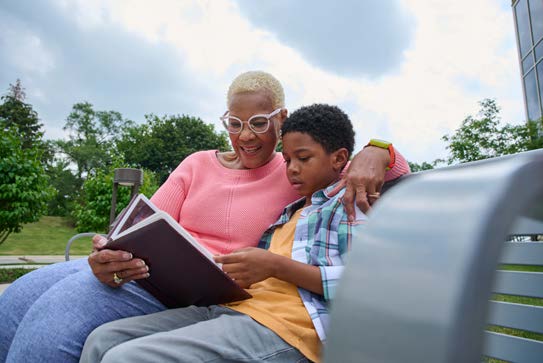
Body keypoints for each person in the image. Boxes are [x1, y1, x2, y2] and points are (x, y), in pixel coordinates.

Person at [0, 71, 408, 362]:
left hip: (209, 295)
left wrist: (379, 147)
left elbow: (383, 169)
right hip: (151, 271)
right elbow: (142, 221)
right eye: (234, 123)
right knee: (19, 297)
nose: (246, 135)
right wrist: (109, 248)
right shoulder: (204, 165)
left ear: (281, 121)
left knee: (57, 317)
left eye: (259, 123)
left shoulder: (306, 179)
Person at [80, 103, 365, 363]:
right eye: (287, 159)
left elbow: (361, 286)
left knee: (128, 358)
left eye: (303, 158)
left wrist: (275, 266)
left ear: (340, 159)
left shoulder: (348, 204)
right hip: (236, 307)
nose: (291, 169)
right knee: (102, 340)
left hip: (289, 329)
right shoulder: (289, 211)